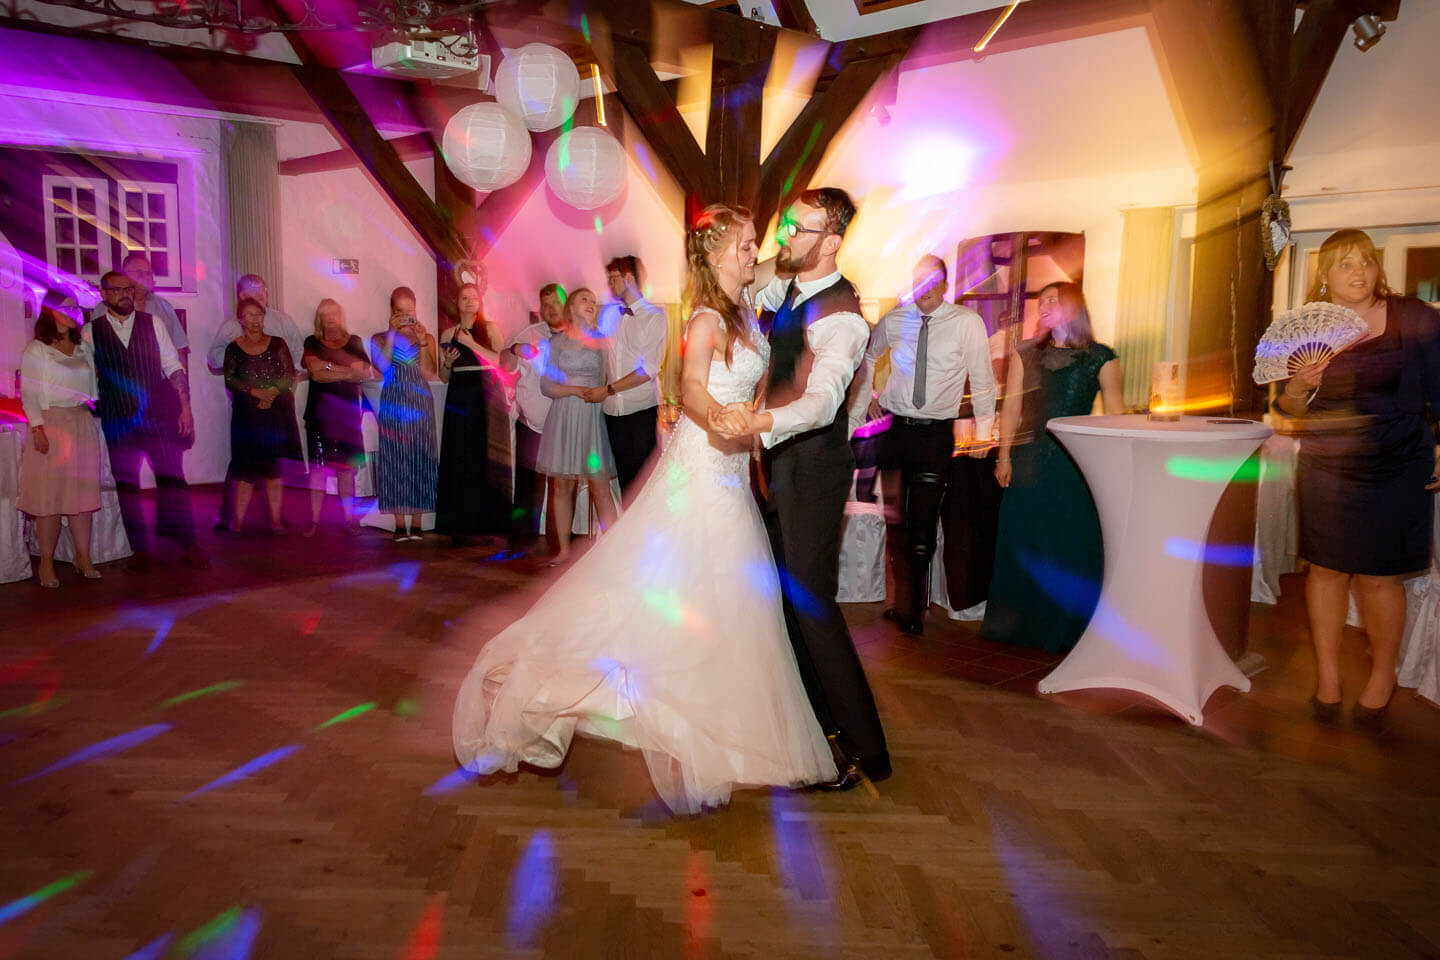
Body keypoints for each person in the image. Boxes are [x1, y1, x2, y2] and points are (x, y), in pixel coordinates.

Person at [451, 204, 835, 814]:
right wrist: (724, 421)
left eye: (753, 244)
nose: (751, 252)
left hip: (731, 469)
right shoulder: (708, 317)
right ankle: (657, 712)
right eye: (743, 245)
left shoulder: (743, 299)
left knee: (725, 599)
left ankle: (722, 741)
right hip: (705, 465)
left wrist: (801, 229)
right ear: (714, 256)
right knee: (689, 589)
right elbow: (691, 391)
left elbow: (776, 262)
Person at [713, 187, 890, 791]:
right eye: (786, 227)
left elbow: (819, 404)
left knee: (813, 607)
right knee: (786, 601)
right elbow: (738, 280)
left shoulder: (843, 318)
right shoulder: (788, 285)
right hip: (778, 466)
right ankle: (818, 731)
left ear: (834, 243)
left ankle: (866, 750)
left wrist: (757, 423)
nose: (784, 239)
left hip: (813, 468)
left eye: (799, 231)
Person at [1277, 228, 1440, 729]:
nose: (1358, 272)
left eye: (1366, 262)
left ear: (1378, 270)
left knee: (1379, 575)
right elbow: (1284, 406)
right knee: (1325, 570)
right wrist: (1301, 385)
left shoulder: (1413, 317)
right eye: (1345, 264)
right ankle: (1328, 677)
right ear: (1324, 277)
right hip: (1328, 462)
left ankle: (1382, 675)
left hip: (1399, 458)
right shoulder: (1307, 329)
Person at [847, 255, 996, 634]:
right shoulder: (895, 321)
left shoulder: (966, 323)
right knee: (896, 521)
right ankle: (905, 603)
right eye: (919, 282)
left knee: (924, 521)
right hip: (896, 433)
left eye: (933, 282)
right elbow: (866, 357)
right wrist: (862, 406)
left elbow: (981, 380)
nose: (925, 289)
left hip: (935, 434)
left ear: (945, 285)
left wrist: (984, 434)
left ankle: (913, 610)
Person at [981, 281, 1123, 655]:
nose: (1042, 305)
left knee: (1068, 541)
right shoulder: (1024, 353)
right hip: (1027, 460)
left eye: (1051, 300)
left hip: (1075, 463)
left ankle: (1069, 628)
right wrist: (1003, 455)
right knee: (1028, 538)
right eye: (1040, 301)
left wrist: (1109, 468)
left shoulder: (1101, 357)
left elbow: (1116, 418)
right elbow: (1011, 407)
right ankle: (1020, 625)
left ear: (1073, 307)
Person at [84, 271, 207, 572]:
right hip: (118, 422)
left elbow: (172, 367)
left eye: (129, 288)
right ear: (104, 294)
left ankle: (190, 544)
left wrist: (185, 407)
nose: (126, 293)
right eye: (118, 289)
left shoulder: (153, 323)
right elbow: (86, 379)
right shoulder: (90, 332)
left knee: (173, 481)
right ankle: (139, 552)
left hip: (158, 419)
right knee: (127, 488)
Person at [209, 274, 306, 531]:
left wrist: (274, 391)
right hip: (248, 411)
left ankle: (274, 518)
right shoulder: (231, 328)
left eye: (262, 293)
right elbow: (217, 361)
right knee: (243, 469)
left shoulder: (283, 323)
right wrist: (254, 390)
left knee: (275, 467)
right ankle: (231, 518)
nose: (259, 300)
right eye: (252, 295)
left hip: (278, 408)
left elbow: (294, 360)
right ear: (241, 298)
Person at [18, 291, 102, 587]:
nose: (71, 311)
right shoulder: (37, 349)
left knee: (82, 496)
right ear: (50, 312)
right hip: (51, 425)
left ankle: (83, 557)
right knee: (49, 499)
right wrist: (38, 428)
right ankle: (47, 564)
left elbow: (93, 388)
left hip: (81, 422)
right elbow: (28, 393)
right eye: (64, 307)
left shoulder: (83, 347)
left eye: (74, 307)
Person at [534, 288, 618, 564]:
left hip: (592, 417)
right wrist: (572, 390)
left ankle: (616, 549)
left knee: (599, 486)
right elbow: (546, 386)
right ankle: (565, 550)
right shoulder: (556, 343)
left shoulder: (603, 342)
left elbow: (611, 380)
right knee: (562, 487)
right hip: (564, 417)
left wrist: (600, 391)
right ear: (570, 306)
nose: (591, 304)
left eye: (594, 301)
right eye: (585, 299)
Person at [436, 282, 509, 544]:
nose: (469, 302)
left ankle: (491, 522)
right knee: (460, 455)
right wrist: (447, 363)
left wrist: (471, 343)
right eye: (464, 297)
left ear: (480, 301)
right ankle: (460, 523)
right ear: (457, 302)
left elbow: (501, 362)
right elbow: (443, 377)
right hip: (460, 394)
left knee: (487, 455)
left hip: (487, 393)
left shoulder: (490, 328)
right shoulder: (447, 333)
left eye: (473, 298)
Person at [370, 286, 439, 542]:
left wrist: (422, 342)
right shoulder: (379, 338)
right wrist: (391, 334)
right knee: (395, 458)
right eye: (399, 311)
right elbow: (383, 367)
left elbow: (431, 373)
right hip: (394, 402)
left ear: (416, 309)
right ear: (391, 312)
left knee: (422, 456)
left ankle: (418, 521)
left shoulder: (427, 337)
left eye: (409, 311)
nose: (405, 316)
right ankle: (399, 523)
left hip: (420, 402)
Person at [596, 256, 668, 499]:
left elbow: (648, 369)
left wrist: (608, 389)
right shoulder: (608, 315)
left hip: (640, 410)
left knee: (644, 484)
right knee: (624, 481)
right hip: (611, 412)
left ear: (628, 279)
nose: (609, 283)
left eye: (613, 278)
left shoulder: (654, 316)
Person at [499, 284, 564, 551]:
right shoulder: (529, 334)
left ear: (565, 305)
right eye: (545, 305)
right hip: (532, 426)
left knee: (560, 486)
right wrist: (514, 350)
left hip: (563, 424)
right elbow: (503, 366)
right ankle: (521, 542)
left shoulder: (576, 337)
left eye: (554, 304)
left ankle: (559, 542)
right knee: (528, 487)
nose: (550, 310)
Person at [301, 298, 371, 536]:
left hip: (347, 417)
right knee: (317, 470)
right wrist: (344, 369)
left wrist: (327, 367)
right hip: (320, 416)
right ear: (319, 318)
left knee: (346, 470)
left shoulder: (354, 342)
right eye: (325, 314)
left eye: (334, 314)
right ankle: (314, 522)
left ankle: (349, 521)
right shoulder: (312, 341)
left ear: (341, 316)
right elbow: (316, 375)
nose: (330, 318)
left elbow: (361, 373)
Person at [116, 251, 189, 371]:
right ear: (125, 276)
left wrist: (181, 382)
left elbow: (179, 349)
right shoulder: (108, 308)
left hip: (162, 380)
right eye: (139, 273)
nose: (146, 277)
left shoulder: (164, 307)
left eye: (149, 273)